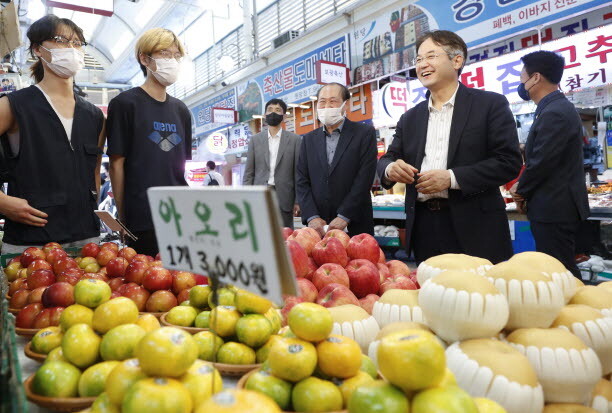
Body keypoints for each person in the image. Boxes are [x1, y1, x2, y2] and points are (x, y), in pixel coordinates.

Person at [378, 30, 522, 264]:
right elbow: (387, 158)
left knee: (481, 295)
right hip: (425, 226)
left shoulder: (489, 105)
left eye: (431, 56)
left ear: (457, 60)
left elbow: (508, 162)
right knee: (433, 294)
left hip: (476, 226)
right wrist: (390, 168)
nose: (423, 64)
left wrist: (452, 178)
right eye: (418, 59)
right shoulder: (410, 118)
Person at [0, 15, 105, 254]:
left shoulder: (94, 116)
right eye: (61, 40)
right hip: (30, 243)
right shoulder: (13, 105)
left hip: (87, 241)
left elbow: (95, 171)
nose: (71, 49)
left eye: (77, 43)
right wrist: (3, 202)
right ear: (38, 48)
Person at [107, 28, 192, 256]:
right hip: (142, 216)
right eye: (165, 53)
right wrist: (123, 215)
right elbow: (116, 164)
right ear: (144, 58)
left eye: (176, 55)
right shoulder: (125, 104)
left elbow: (179, 167)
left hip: (179, 215)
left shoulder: (181, 110)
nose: (172, 60)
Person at [510, 50, 589, 278]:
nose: (521, 83)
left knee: (560, 271)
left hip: (555, 208)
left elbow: (542, 162)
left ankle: (576, 312)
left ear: (535, 78)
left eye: (522, 77)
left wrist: (520, 189)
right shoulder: (551, 109)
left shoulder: (555, 112)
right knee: (557, 269)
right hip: (554, 206)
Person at [297, 82, 377, 237]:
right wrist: (312, 216)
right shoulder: (308, 139)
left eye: (333, 101)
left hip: (355, 225)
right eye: (322, 101)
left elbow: (364, 179)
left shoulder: (364, 133)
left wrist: (344, 215)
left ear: (345, 105)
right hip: (318, 228)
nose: (327, 106)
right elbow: (301, 180)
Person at [243, 98, 301, 228]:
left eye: (277, 110)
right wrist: (245, 197)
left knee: (285, 236)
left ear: (284, 116)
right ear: (264, 115)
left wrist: (298, 201)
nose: (273, 113)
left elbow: (298, 173)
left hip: (285, 197)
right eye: (269, 110)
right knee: (260, 232)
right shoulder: (255, 140)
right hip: (259, 195)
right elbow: (248, 173)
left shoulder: (295, 140)